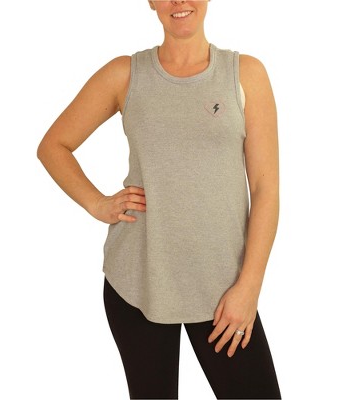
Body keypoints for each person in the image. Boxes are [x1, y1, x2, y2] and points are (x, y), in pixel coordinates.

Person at [37, 0, 281, 398]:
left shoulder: (245, 74)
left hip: (224, 291)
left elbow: (266, 190)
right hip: (139, 283)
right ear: (151, 2)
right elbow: (53, 146)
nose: (179, 2)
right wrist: (97, 203)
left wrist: (249, 287)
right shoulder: (125, 75)